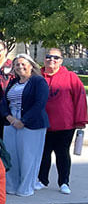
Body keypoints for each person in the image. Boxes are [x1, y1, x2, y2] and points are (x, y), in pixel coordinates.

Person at [38, 48, 87, 194]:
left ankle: (64, 182)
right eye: (48, 56)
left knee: (62, 154)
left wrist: (80, 121)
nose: (51, 60)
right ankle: (42, 180)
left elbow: (80, 99)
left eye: (56, 57)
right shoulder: (38, 76)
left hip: (65, 124)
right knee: (44, 153)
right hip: (42, 124)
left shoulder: (71, 77)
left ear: (61, 60)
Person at [0, 54, 49, 197]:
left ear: (31, 65)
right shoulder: (13, 82)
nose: (20, 67)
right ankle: (12, 186)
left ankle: (25, 188)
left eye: (23, 64)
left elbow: (40, 104)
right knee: (12, 156)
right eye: (16, 65)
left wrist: (24, 120)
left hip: (31, 124)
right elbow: (3, 102)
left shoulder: (38, 81)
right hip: (11, 122)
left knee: (28, 157)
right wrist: (9, 117)